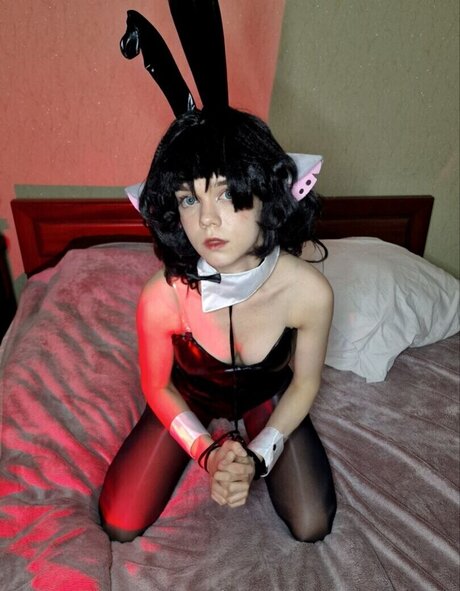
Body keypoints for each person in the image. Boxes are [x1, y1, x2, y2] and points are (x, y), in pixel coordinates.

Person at [98, 106, 337, 543]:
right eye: (190, 199)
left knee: (312, 523)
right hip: (189, 395)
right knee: (120, 520)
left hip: (266, 395)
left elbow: (305, 382)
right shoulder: (162, 295)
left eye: (226, 193)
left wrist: (258, 456)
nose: (207, 219)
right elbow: (156, 386)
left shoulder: (309, 293)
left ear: (266, 194)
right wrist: (207, 453)